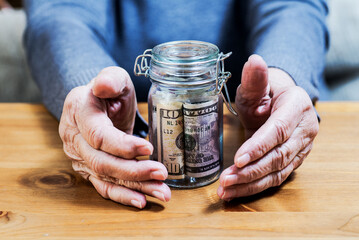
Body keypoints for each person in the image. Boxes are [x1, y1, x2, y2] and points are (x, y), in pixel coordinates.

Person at [24, 0, 328, 209]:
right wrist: (91, 88)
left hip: (233, 103)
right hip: (125, 95)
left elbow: (294, 7)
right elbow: (59, 13)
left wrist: (283, 74)